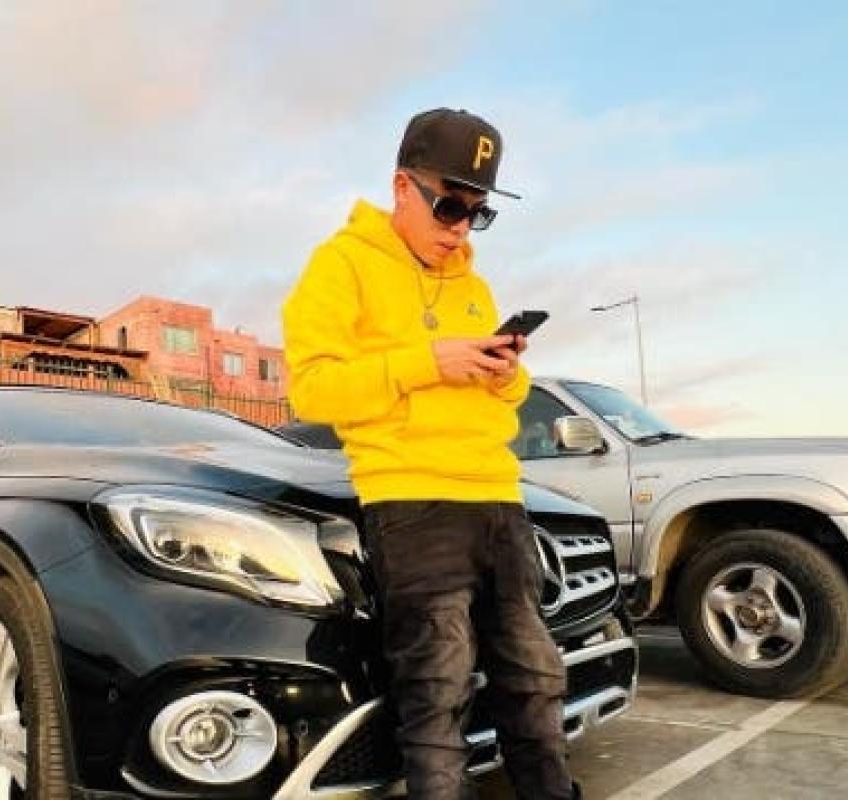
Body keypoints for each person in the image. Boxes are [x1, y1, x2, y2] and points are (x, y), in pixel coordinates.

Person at [282, 109, 579, 800]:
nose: (460, 228)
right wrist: (427, 361)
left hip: (499, 498)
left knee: (535, 679)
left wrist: (507, 374)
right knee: (438, 690)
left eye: (478, 213)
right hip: (412, 501)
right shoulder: (341, 265)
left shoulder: (473, 285)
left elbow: (507, 394)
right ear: (401, 187)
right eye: (450, 206)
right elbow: (312, 390)